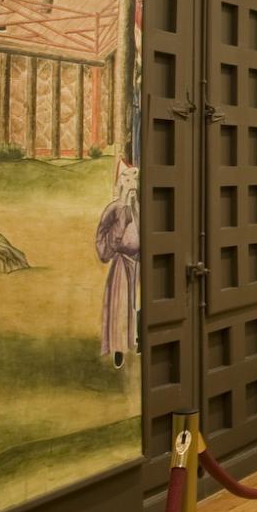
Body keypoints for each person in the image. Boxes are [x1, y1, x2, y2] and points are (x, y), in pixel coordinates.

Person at [95, 156, 140, 368]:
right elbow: (102, 237)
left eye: (134, 179)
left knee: (137, 303)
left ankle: (137, 340)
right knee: (121, 305)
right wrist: (123, 218)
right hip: (122, 263)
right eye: (128, 179)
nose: (132, 184)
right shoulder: (114, 209)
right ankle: (119, 348)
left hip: (138, 263)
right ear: (121, 182)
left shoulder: (139, 207)